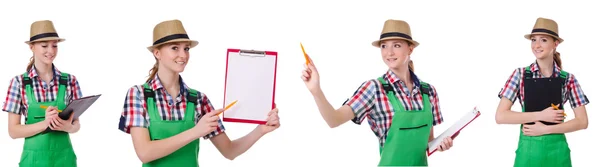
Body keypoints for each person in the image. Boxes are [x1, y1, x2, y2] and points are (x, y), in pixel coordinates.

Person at [117, 19, 281, 167]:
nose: (183, 55)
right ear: (157, 53)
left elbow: (229, 151)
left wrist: (260, 130)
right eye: (175, 48)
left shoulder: (198, 100)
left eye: (186, 49)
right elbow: (145, 153)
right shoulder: (138, 95)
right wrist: (195, 131)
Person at [300, 19, 455, 166]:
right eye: (384, 46)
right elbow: (333, 120)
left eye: (396, 45)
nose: (389, 52)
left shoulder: (428, 92)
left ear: (410, 48)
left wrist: (441, 145)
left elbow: (427, 144)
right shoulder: (374, 89)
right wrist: (316, 90)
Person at [495, 17, 589, 167]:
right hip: (528, 154)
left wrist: (546, 129)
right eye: (533, 40)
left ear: (555, 43)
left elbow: (582, 121)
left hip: (558, 155)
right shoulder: (520, 75)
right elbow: (500, 116)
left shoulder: (568, 79)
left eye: (543, 40)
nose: (536, 45)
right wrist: (541, 115)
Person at [2, 20, 83, 167]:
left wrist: (68, 127)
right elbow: (13, 131)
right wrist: (45, 124)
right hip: (32, 162)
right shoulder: (18, 83)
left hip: (64, 160)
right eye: (44, 46)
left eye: (54, 45)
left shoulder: (70, 81)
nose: (51, 51)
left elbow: (76, 124)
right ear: (31, 47)